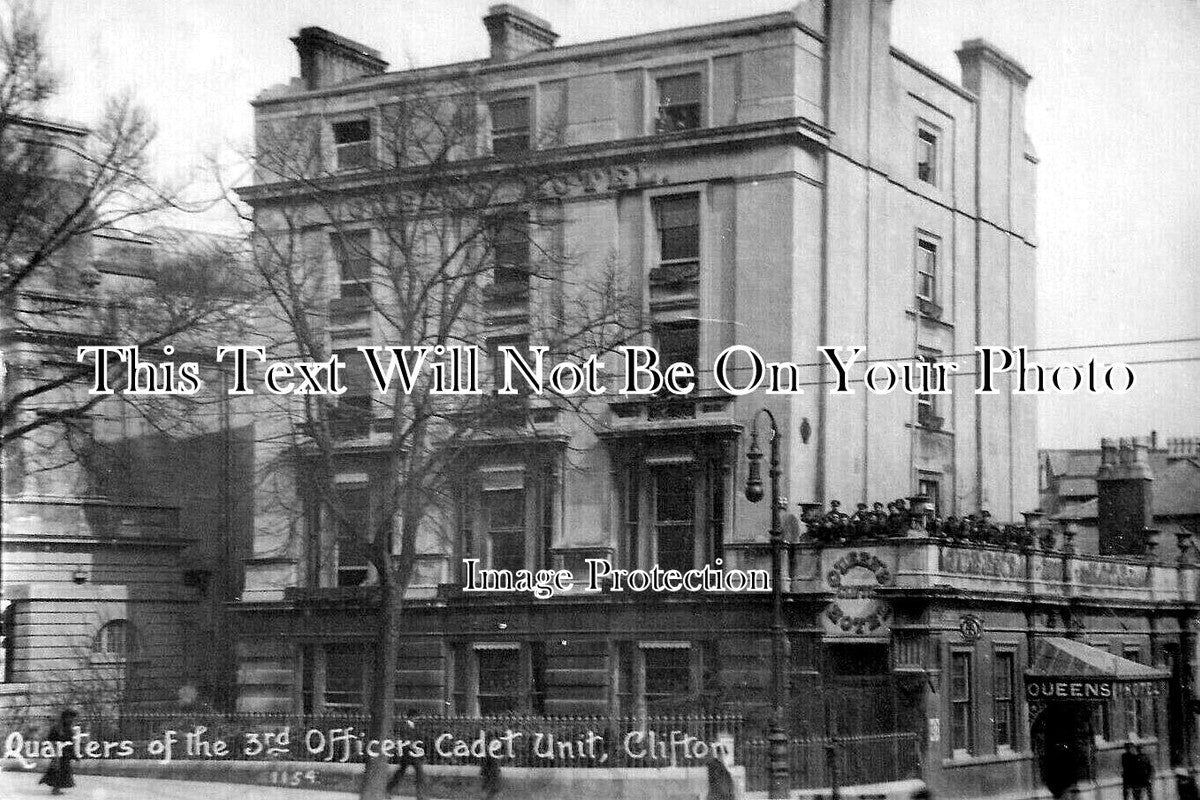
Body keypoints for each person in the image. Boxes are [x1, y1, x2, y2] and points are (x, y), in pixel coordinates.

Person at [386, 708, 426, 800]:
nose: (417, 719)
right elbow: (403, 738)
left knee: (418, 773)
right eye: (416, 717)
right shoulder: (404, 726)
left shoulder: (414, 726)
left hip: (413, 754)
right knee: (402, 773)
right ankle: (387, 789)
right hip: (407, 753)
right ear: (411, 716)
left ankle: (420, 795)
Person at [38, 709, 78, 796]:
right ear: (65, 718)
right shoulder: (57, 728)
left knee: (63, 771)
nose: (71, 720)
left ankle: (57, 788)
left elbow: (70, 743)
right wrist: (53, 750)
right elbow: (50, 740)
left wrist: (73, 754)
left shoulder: (69, 729)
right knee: (58, 770)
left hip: (65, 754)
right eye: (70, 718)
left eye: (72, 718)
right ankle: (55, 789)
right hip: (57, 753)